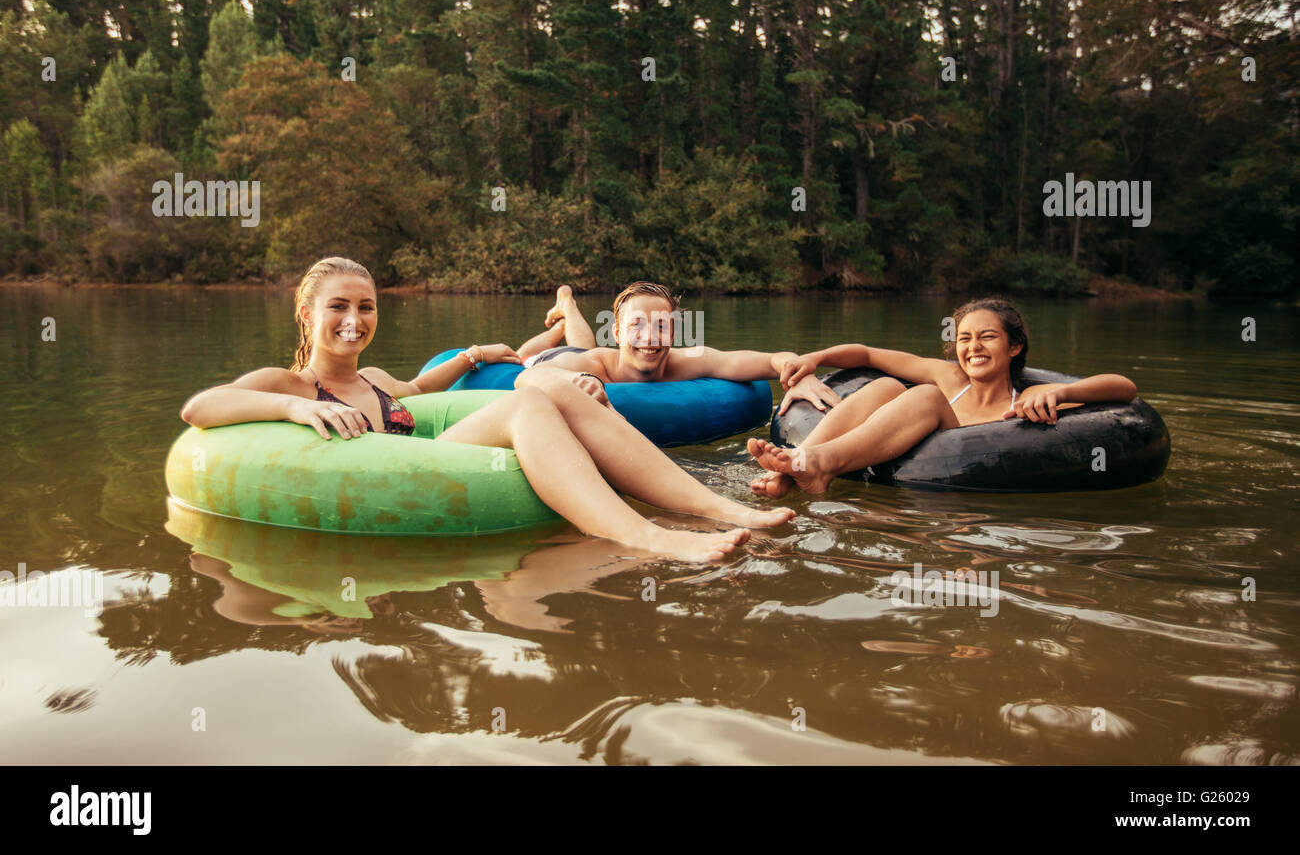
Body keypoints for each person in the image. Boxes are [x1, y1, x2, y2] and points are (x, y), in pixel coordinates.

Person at [179, 257, 793, 561]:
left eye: (365, 307)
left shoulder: (375, 378)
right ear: (308, 315)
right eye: (338, 307)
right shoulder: (286, 383)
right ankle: (642, 534)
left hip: (428, 457)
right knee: (525, 406)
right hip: (394, 473)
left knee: (547, 388)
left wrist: (477, 353)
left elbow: (424, 394)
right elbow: (200, 407)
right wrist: (293, 412)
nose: (353, 320)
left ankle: (711, 504)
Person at [747, 297, 1139, 496]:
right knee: (885, 386)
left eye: (988, 337)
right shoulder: (948, 376)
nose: (974, 347)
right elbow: (867, 355)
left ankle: (817, 464)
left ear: (1014, 347)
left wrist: (1066, 392)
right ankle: (800, 466)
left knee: (928, 398)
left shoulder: (1031, 394)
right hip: (896, 470)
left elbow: (1124, 389)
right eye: (965, 338)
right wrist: (816, 357)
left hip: (960, 499)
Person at [512, 282, 841, 410]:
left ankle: (567, 309)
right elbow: (525, 377)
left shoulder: (688, 361)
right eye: (636, 326)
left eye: (661, 326)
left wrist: (801, 372)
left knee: (581, 344)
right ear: (616, 333)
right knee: (531, 353)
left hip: (588, 354)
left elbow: (773, 360)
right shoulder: (590, 367)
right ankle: (564, 311)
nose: (650, 337)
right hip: (555, 359)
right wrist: (574, 382)